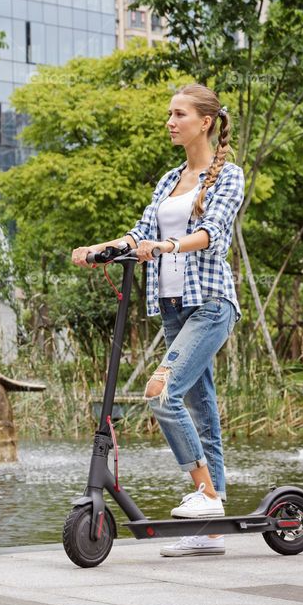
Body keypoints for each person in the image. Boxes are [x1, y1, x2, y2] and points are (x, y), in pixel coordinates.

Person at [71, 83, 244, 557]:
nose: (170, 121)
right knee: (203, 413)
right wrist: (100, 250)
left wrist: (168, 247)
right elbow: (141, 232)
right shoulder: (169, 180)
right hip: (170, 307)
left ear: (205, 121)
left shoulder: (228, 175)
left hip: (209, 302)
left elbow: (212, 233)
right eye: (169, 113)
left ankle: (206, 496)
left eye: (179, 113)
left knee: (161, 392)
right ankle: (210, 532)